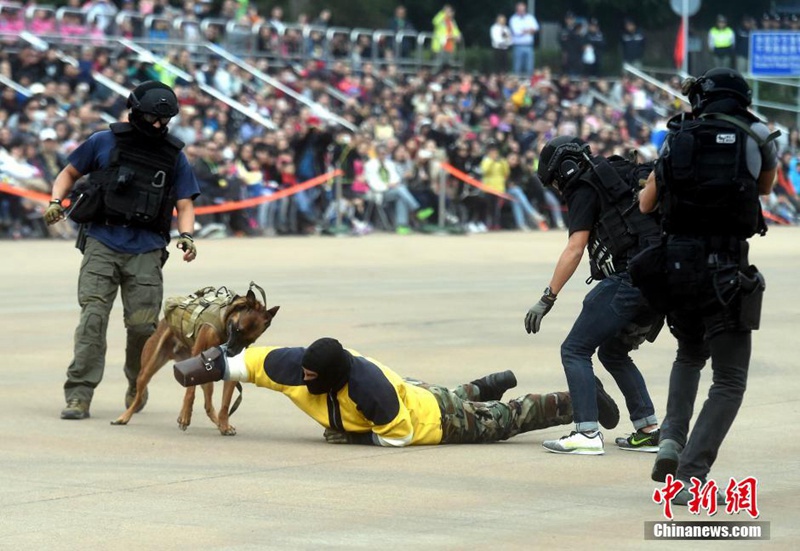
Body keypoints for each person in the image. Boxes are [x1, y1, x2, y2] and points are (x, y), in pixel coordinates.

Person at [638, 68, 778, 504]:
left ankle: (671, 441)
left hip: (677, 266)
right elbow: (766, 189)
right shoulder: (757, 134)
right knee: (730, 379)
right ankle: (690, 478)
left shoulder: (678, 134)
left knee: (689, 352)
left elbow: (647, 203)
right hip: (726, 269)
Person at [43, 81, 200, 420]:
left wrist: (187, 236)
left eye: (164, 120)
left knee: (143, 328)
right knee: (92, 319)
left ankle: (136, 384)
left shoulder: (173, 155)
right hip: (103, 241)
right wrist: (56, 201)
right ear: (134, 110)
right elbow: (69, 173)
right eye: (151, 118)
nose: (157, 126)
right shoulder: (103, 141)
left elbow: (185, 202)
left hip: (146, 247)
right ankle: (79, 395)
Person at [174, 337, 622, 446]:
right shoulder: (295, 365)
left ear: (331, 376)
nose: (303, 380)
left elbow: (398, 436)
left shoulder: (369, 391)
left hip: (432, 418)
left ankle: (579, 400)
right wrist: (201, 368)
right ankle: (489, 385)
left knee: (506, 420)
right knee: (447, 392)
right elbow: (242, 361)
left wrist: (351, 435)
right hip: (411, 388)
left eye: (312, 377)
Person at [524, 136, 663, 455]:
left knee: (574, 349)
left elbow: (574, 248)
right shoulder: (617, 171)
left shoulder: (584, 185)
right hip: (659, 280)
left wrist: (547, 298)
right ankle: (649, 429)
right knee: (612, 352)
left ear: (566, 169)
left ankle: (586, 433)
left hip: (632, 277)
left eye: (556, 181)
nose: (558, 189)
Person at [508, 2, 539, 77]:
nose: (521, 11)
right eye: (520, 9)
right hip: (518, 46)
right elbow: (516, 32)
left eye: (523, 9)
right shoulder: (513, 19)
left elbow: (536, 28)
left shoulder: (530, 18)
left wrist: (525, 31)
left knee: (529, 68)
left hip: (529, 46)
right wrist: (529, 30)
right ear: (517, 9)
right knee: (517, 68)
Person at [431, 4, 461, 70]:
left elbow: (456, 31)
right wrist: (443, 14)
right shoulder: (440, 18)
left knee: (448, 67)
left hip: (450, 47)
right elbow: (434, 22)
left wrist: (458, 36)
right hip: (440, 47)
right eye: (450, 11)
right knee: (437, 65)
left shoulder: (452, 21)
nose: (452, 13)